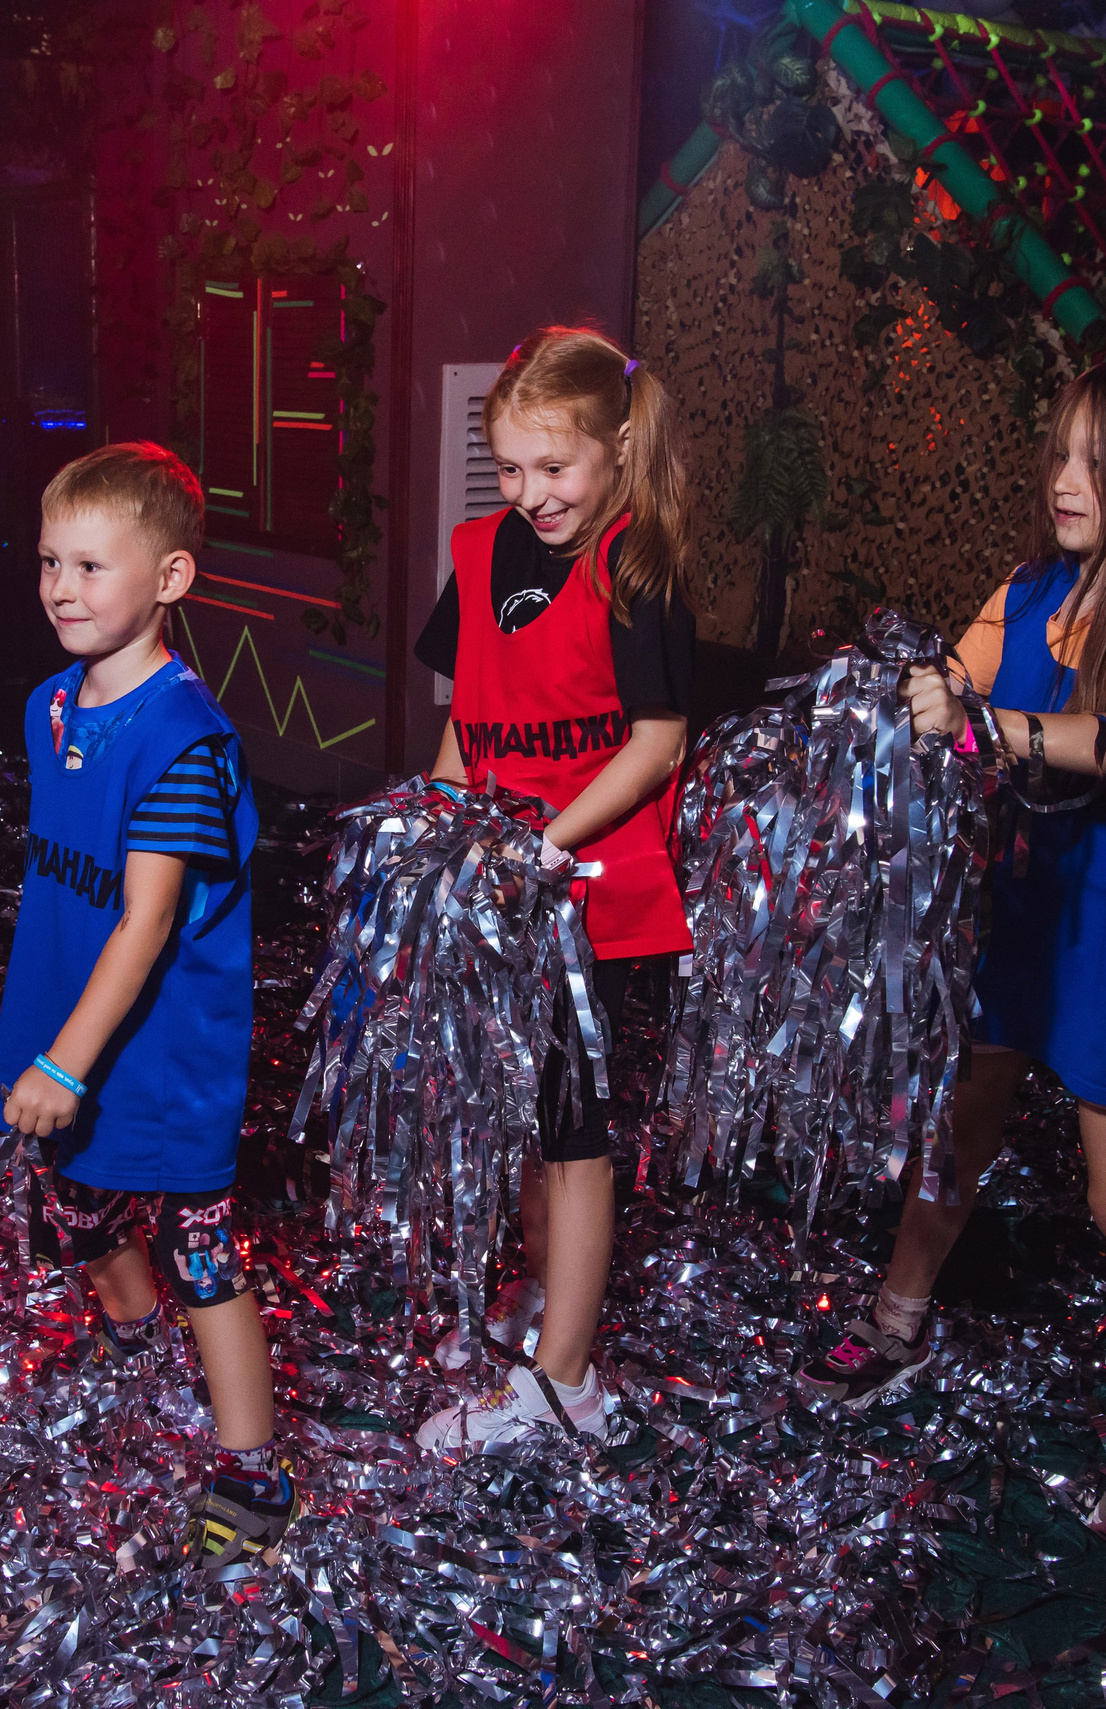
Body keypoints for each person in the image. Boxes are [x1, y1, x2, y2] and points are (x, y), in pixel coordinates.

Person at [796, 356, 1106, 1551]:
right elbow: (954, 681)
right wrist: (879, 708)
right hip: (1022, 895)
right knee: (960, 1128)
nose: (1062, 477)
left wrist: (985, 722)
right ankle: (898, 1318)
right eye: (1060, 450)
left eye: (1095, 461)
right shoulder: (1030, 583)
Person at [0, 442, 290, 1568]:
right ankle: (132, 1336)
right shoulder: (51, 703)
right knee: (72, 1213)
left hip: (160, 1051)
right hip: (65, 1016)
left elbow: (146, 921)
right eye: (48, 561)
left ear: (168, 579)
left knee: (201, 1249)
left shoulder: (182, 744)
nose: (61, 587)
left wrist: (63, 1066)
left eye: (91, 566)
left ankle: (255, 1467)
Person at [410, 326, 697, 1453]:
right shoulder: (481, 550)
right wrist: (438, 824)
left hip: (591, 894)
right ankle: (541, 1301)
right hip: (497, 881)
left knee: (576, 1135)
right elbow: (466, 709)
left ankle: (565, 1380)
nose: (532, 492)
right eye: (513, 468)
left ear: (615, 452)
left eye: (556, 467)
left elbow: (658, 741)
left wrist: (542, 845)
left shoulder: (637, 563)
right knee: (522, 1113)